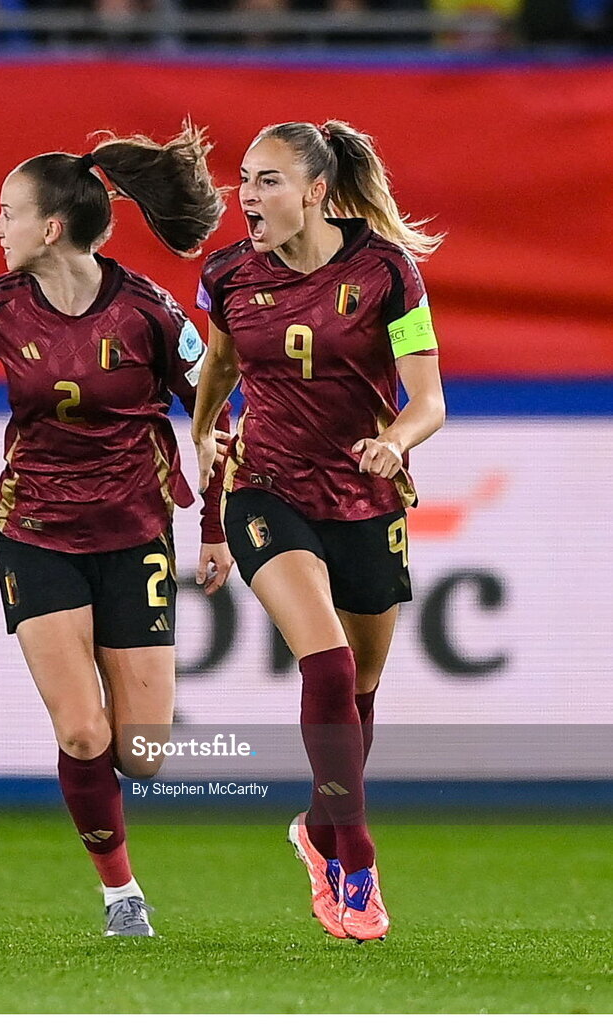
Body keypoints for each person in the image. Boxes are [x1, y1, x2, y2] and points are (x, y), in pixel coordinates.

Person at [0, 125, 233, 938]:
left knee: (143, 753)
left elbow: (215, 416)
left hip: (136, 533)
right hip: (35, 530)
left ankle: (118, 836)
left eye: (6, 213)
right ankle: (120, 895)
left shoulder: (150, 313)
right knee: (79, 727)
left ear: (50, 227)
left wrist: (214, 526)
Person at [191, 120, 445, 942]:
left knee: (361, 692)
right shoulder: (227, 273)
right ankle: (357, 861)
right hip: (266, 488)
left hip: (367, 493)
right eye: (244, 181)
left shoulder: (386, 273)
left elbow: (429, 400)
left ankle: (318, 830)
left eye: (268, 181)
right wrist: (202, 436)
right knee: (328, 665)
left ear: (315, 192)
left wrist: (393, 441)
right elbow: (220, 370)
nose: (248, 197)